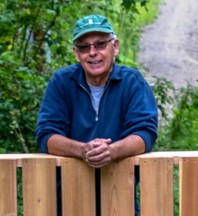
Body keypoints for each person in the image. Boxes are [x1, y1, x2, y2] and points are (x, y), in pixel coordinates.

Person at [36, 14, 158, 215]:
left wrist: (112, 151)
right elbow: (46, 136)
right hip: (68, 201)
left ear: (115, 47)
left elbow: (145, 135)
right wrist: (82, 150)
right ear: (76, 54)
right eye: (84, 47)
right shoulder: (61, 82)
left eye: (100, 44)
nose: (93, 52)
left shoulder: (132, 82)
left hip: (121, 198)